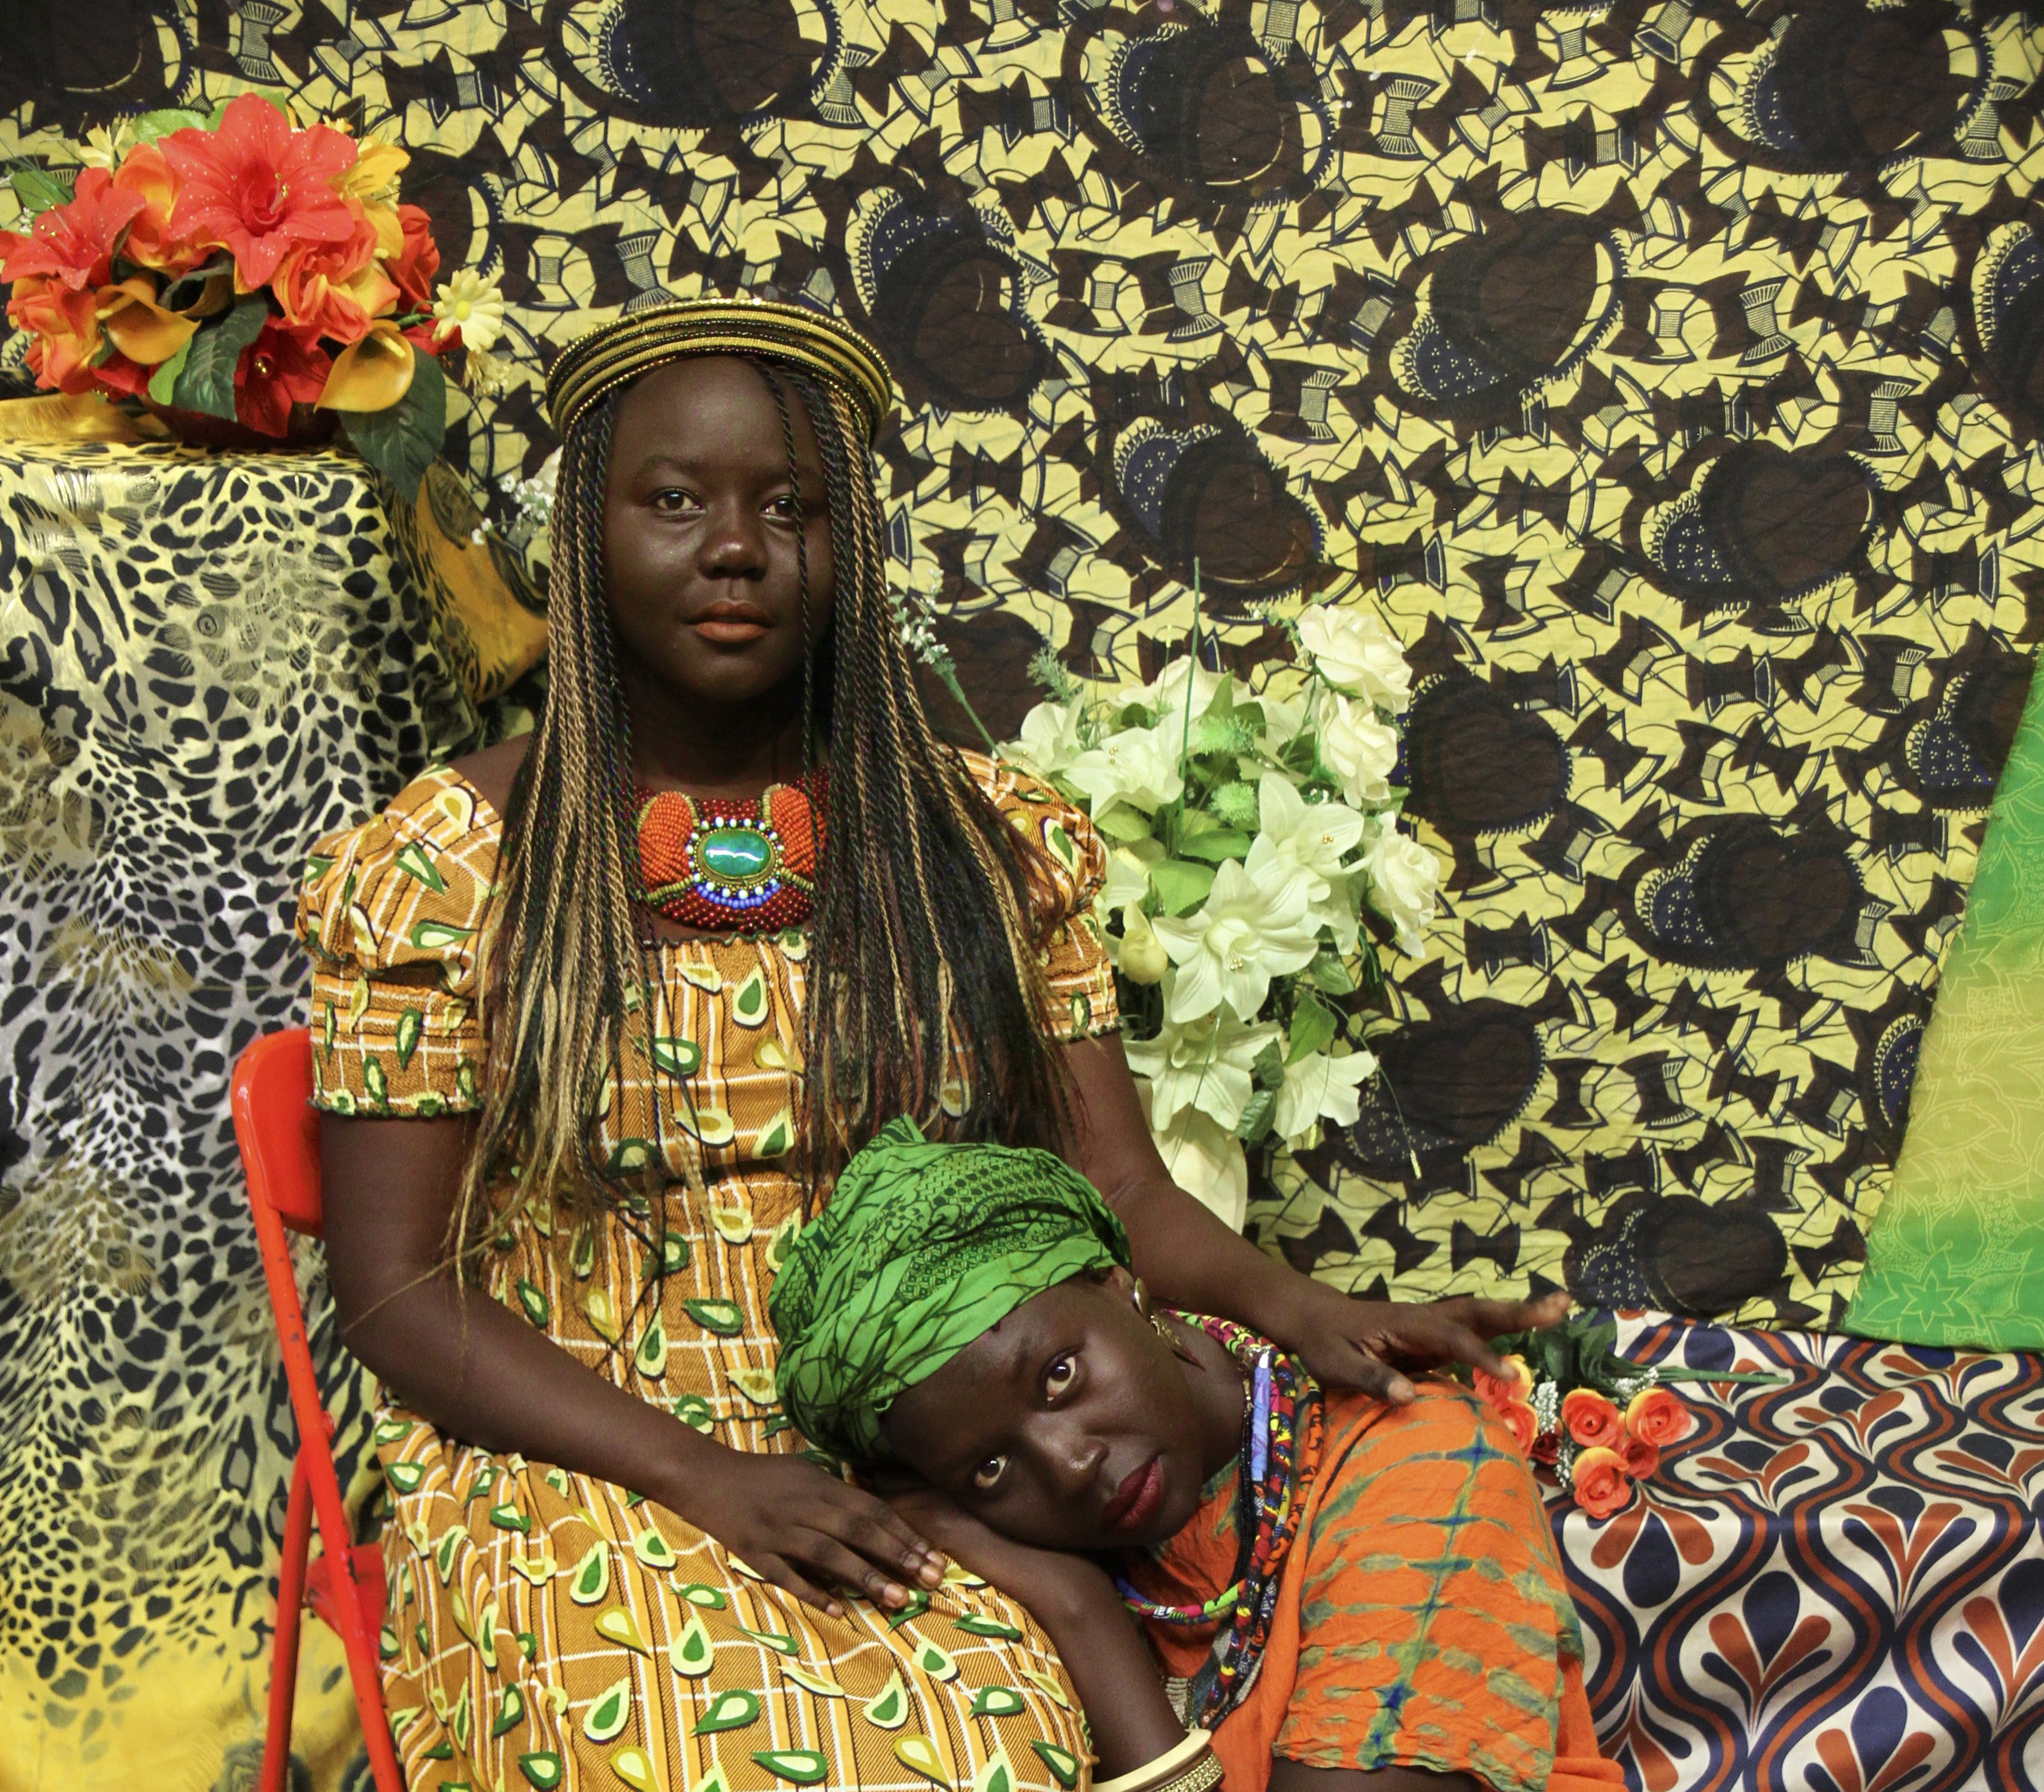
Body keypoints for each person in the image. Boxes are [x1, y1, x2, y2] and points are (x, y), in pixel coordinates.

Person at [299, 295, 1567, 1791]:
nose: (736, 547)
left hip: (937, 1456)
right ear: (586, 532)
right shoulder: (447, 865)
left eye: (791, 508)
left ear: (852, 542)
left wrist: (1302, 1306)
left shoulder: (981, 841)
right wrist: (704, 1474)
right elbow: (399, 1293)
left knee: (998, 1749)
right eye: (676, 501)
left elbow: (1122, 1192)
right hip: (585, 1459)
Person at [772, 1121, 1621, 1792]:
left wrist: (1083, 1617)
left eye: (1060, 1376)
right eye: (988, 1470)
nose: (1068, 1465)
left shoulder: (1418, 1460)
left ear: (1121, 1286)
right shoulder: (1037, 1565)